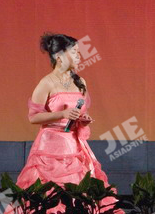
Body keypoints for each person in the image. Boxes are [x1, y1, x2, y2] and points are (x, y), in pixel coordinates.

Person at [18, 33, 109, 189]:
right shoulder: (46, 83)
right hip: (51, 145)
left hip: (74, 144)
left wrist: (82, 119)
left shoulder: (80, 82)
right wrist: (62, 114)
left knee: (79, 186)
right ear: (59, 56)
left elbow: (79, 111)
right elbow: (33, 117)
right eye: (74, 52)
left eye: (79, 52)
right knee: (51, 189)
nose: (79, 56)